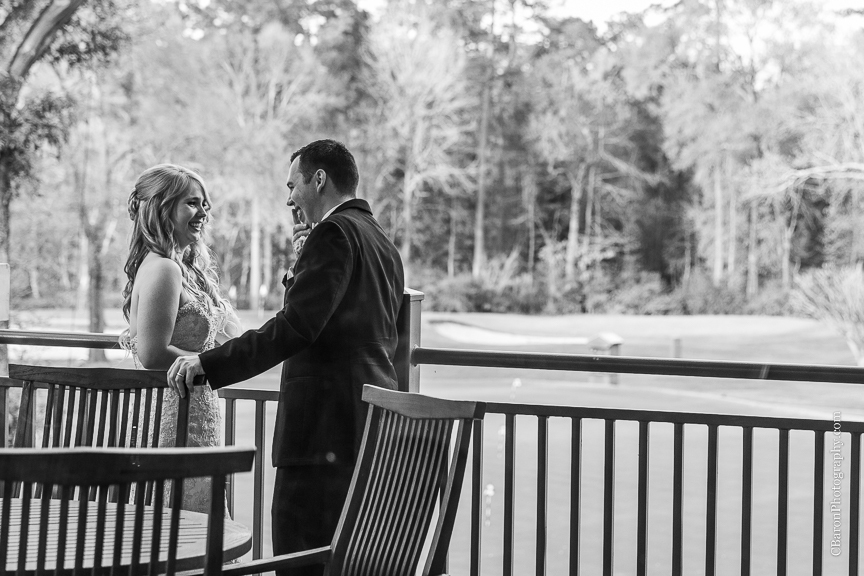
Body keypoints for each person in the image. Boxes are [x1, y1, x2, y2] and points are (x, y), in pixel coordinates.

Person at [167, 139, 405, 576]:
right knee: (348, 559)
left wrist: (209, 363)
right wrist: (301, 266)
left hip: (321, 432)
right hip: (370, 423)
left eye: (293, 185)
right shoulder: (381, 242)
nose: (290, 198)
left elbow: (296, 326)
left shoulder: (333, 234)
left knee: (300, 558)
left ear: (319, 180)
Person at [119, 163, 241, 513]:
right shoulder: (163, 268)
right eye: (191, 203)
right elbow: (152, 354)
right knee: (177, 518)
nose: (203, 213)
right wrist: (206, 365)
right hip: (176, 414)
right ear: (161, 209)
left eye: (204, 204)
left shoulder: (181, 267)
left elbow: (230, 336)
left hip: (195, 409)